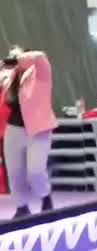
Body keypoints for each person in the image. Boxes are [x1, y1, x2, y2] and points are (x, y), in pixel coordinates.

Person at [0, 46, 57, 219]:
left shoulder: (41, 72)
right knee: (15, 174)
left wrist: (17, 59)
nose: (15, 59)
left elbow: (40, 56)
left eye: (18, 56)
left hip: (38, 130)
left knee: (36, 171)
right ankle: (22, 207)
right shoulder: (10, 77)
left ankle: (45, 197)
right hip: (13, 129)